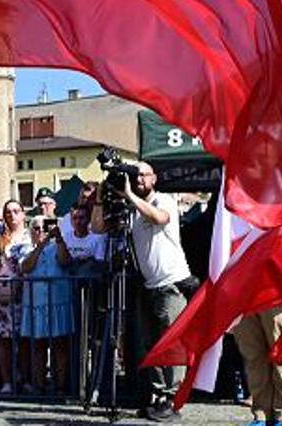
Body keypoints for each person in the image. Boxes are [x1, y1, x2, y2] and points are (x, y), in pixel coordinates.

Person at [90, 159, 193, 421]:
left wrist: (130, 195)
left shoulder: (163, 200)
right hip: (148, 285)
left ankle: (173, 398)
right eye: (135, 176)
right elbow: (98, 228)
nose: (138, 180)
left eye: (143, 175)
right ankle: (158, 396)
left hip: (171, 283)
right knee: (151, 344)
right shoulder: (132, 209)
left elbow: (159, 218)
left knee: (172, 342)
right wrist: (102, 197)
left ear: (154, 179)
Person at [21, 216, 75, 395]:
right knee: (38, 344)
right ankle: (40, 385)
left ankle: (60, 385)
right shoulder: (26, 248)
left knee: (60, 344)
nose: (40, 232)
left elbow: (66, 261)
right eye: (36, 228)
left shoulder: (58, 246)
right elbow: (26, 267)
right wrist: (41, 245)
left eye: (44, 228)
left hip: (58, 300)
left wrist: (58, 238)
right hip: (37, 303)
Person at [0, 200, 32, 393]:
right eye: (8, 211)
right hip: (4, 296)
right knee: (4, 339)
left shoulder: (30, 235)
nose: (12, 215)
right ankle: (7, 381)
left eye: (16, 211)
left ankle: (26, 379)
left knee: (26, 338)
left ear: (23, 214)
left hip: (27, 294)